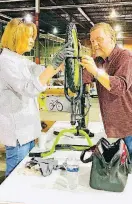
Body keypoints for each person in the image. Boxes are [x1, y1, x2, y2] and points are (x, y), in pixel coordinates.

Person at [0, 18, 73, 176]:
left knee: (25, 173)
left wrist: (58, 64)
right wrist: (53, 66)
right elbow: (29, 88)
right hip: (18, 133)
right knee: (15, 177)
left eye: (33, 36)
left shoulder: (20, 60)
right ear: (15, 37)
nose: (32, 40)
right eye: (29, 36)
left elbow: (38, 71)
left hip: (27, 130)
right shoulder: (5, 62)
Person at [81, 22, 132, 161]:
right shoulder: (98, 61)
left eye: (99, 39)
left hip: (129, 128)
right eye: (92, 41)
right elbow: (82, 80)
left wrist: (96, 72)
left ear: (112, 38)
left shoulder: (125, 56)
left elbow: (120, 87)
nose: (95, 44)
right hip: (113, 128)